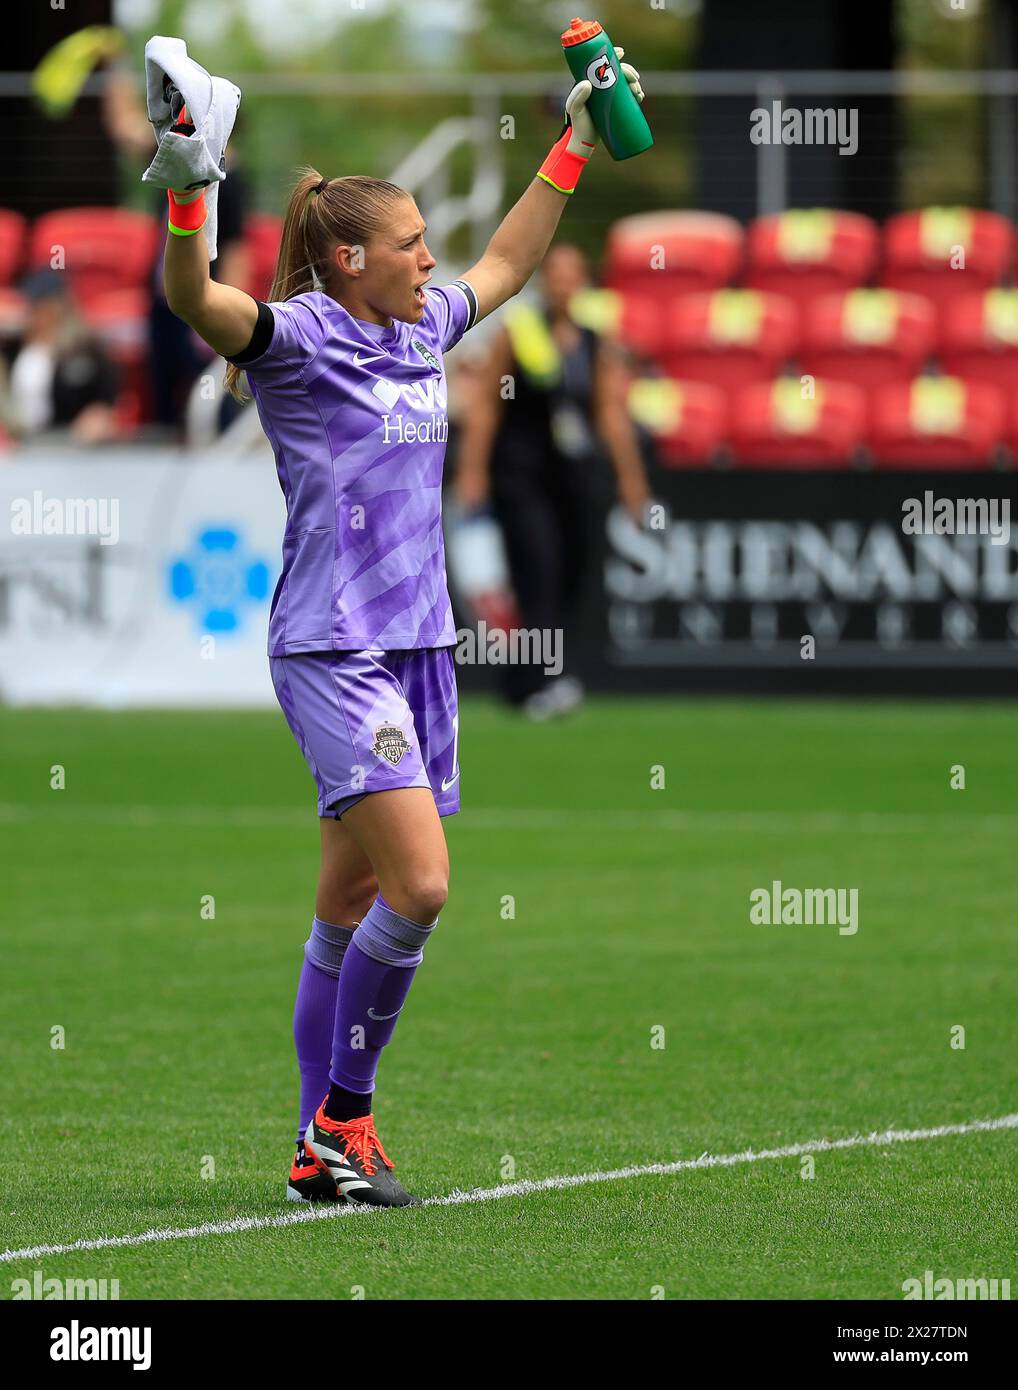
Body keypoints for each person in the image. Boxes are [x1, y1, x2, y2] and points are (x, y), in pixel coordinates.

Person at [158, 49, 645, 1207]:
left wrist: (573, 136)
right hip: (334, 647)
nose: (431, 256)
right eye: (411, 239)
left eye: (429, 239)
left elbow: (511, 259)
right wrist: (187, 190)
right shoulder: (306, 337)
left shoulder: (421, 324)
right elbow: (196, 300)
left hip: (417, 647)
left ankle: (309, 1151)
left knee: (349, 902)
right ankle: (346, 1119)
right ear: (346, 257)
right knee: (420, 887)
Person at [453, 243, 652, 716]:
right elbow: (486, 406)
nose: (563, 284)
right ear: (544, 281)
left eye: (572, 275)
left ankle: (538, 678)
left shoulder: (592, 339)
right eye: (555, 274)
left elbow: (609, 413)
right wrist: (473, 471)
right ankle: (540, 683)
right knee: (536, 572)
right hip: (522, 476)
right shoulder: (519, 332)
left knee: (572, 574)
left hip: (574, 477)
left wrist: (631, 480)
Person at [7, 269, 119, 444]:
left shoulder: (85, 349)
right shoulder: (13, 348)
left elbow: (105, 401)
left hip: (66, 443)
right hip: (20, 444)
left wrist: (98, 416)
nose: (35, 313)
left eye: (41, 306)